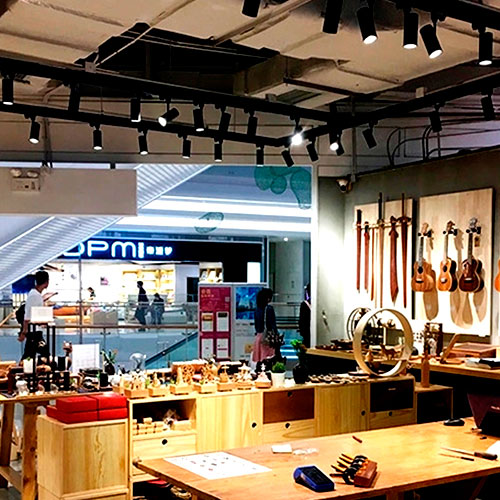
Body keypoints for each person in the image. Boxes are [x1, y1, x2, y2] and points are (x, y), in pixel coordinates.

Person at [18, 270, 50, 360]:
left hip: (35, 331)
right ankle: (23, 366)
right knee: (41, 353)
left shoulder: (36, 295)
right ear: (46, 282)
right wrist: (24, 332)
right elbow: (28, 314)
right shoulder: (34, 295)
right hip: (34, 332)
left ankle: (25, 365)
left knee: (30, 354)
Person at [252, 288, 276, 363]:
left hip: (259, 337)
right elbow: (272, 324)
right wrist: (276, 335)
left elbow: (256, 325)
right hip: (267, 338)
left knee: (259, 361)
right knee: (268, 360)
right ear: (268, 298)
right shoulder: (269, 309)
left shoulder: (257, 309)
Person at [298, 283, 311, 347]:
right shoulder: (318, 304)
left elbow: (302, 320)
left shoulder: (304, 304)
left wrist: (302, 332)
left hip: (306, 332)